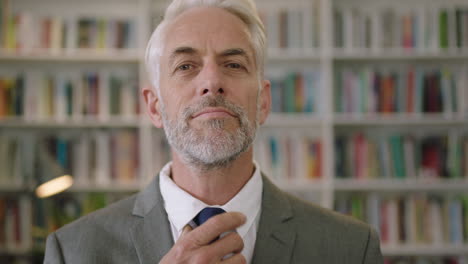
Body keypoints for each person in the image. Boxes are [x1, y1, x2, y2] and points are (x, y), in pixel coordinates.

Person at [44, 0, 384, 263]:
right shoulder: (74, 252)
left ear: (263, 102)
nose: (211, 82)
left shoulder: (351, 248)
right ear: (154, 106)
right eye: (186, 66)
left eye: (233, 64)